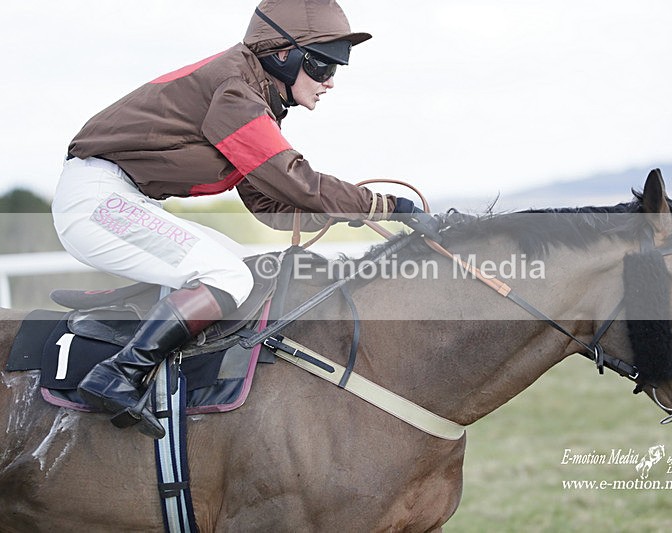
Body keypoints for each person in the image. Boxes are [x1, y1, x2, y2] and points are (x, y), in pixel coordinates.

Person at [51, 0, 439, 439]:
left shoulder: (254, 99)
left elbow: (268, 206)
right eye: (323, 65)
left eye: (336, 69)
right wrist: (389, 206)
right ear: (283, 55)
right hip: (97, 200)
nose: (330, 81)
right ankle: (117, 374)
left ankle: (142, 337)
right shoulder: (235, 92)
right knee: (227, 275)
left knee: (245, 272)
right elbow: (297, 180)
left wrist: (340, 215)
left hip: (122, 199)